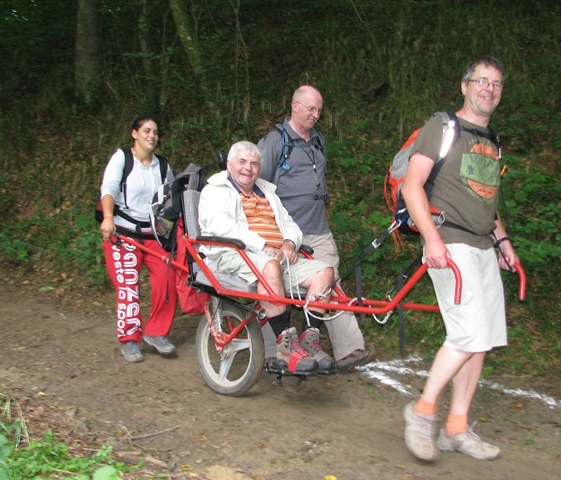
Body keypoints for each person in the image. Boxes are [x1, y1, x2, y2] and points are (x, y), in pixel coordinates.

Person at [401, 57, 520, 461]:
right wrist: (432, 240)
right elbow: (411, 186)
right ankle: (421, 413)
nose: (489, 88)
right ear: (465, 85)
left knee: (481, 340)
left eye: (497, 84)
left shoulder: (491, 140)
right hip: (449, 243)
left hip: (483, 246)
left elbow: (487, 198)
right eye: (482, 81)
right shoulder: (442, 127)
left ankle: (456, 428)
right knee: (468, 334)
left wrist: (503, 241)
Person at [257, 85, 373, 371]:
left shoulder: (317, 139)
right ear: (294, 106)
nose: (315, 114)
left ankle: (348, 349)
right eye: (310, 109)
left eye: (319, 110)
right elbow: (257, 187)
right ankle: (270, 351)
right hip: (285, 233)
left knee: (329, 280)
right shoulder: (275, 141)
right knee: (274, 287)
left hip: (318, 228)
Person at [198, 141, 336, 374]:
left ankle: (309, 340)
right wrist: (262, 245)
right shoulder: (215, 190)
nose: (248, 168)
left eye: (254, 164)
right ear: (229, 165)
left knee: (325, 272)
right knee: (270, 265)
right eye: (242, 162)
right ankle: (284, 346)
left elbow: (290, 224)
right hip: (232, 253)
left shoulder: (267, 192)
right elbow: (221, 226)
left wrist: (289, 244)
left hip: (275, 257)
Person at [99, 116, 178, 363]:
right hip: (123, 233)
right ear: (134, 133)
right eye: (146, 130)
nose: (152, 136)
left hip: (153, 234)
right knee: (128, 286)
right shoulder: (122, 158)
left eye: (155, 132)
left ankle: (157, 332)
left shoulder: (162, 166)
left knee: (167, 279)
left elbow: (172, 200)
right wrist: (108, 217)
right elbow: (109, 188)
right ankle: (130, 339)